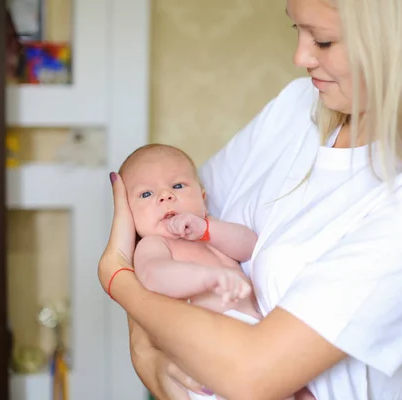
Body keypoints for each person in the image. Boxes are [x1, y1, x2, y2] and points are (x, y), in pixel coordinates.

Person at [98, 0, 402, 398]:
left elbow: (251, 374)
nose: (300, 57)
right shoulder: (295, 108)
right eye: (296, 29)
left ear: (394, 44)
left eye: (322, 40)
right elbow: (155, 231)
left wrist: (119, 283)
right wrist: (148, 355)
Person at [118, 144, 315, 400]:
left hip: (255, 342)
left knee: (302, 388)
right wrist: (205, 277)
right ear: (128, 217)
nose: (165, 196)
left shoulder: (209, 236)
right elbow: (155, 276)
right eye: (146, 194)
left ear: (202, 197)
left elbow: (249, 246)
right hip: (209, 356)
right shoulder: (154, 245)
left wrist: (207, 229)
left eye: (177, 186)